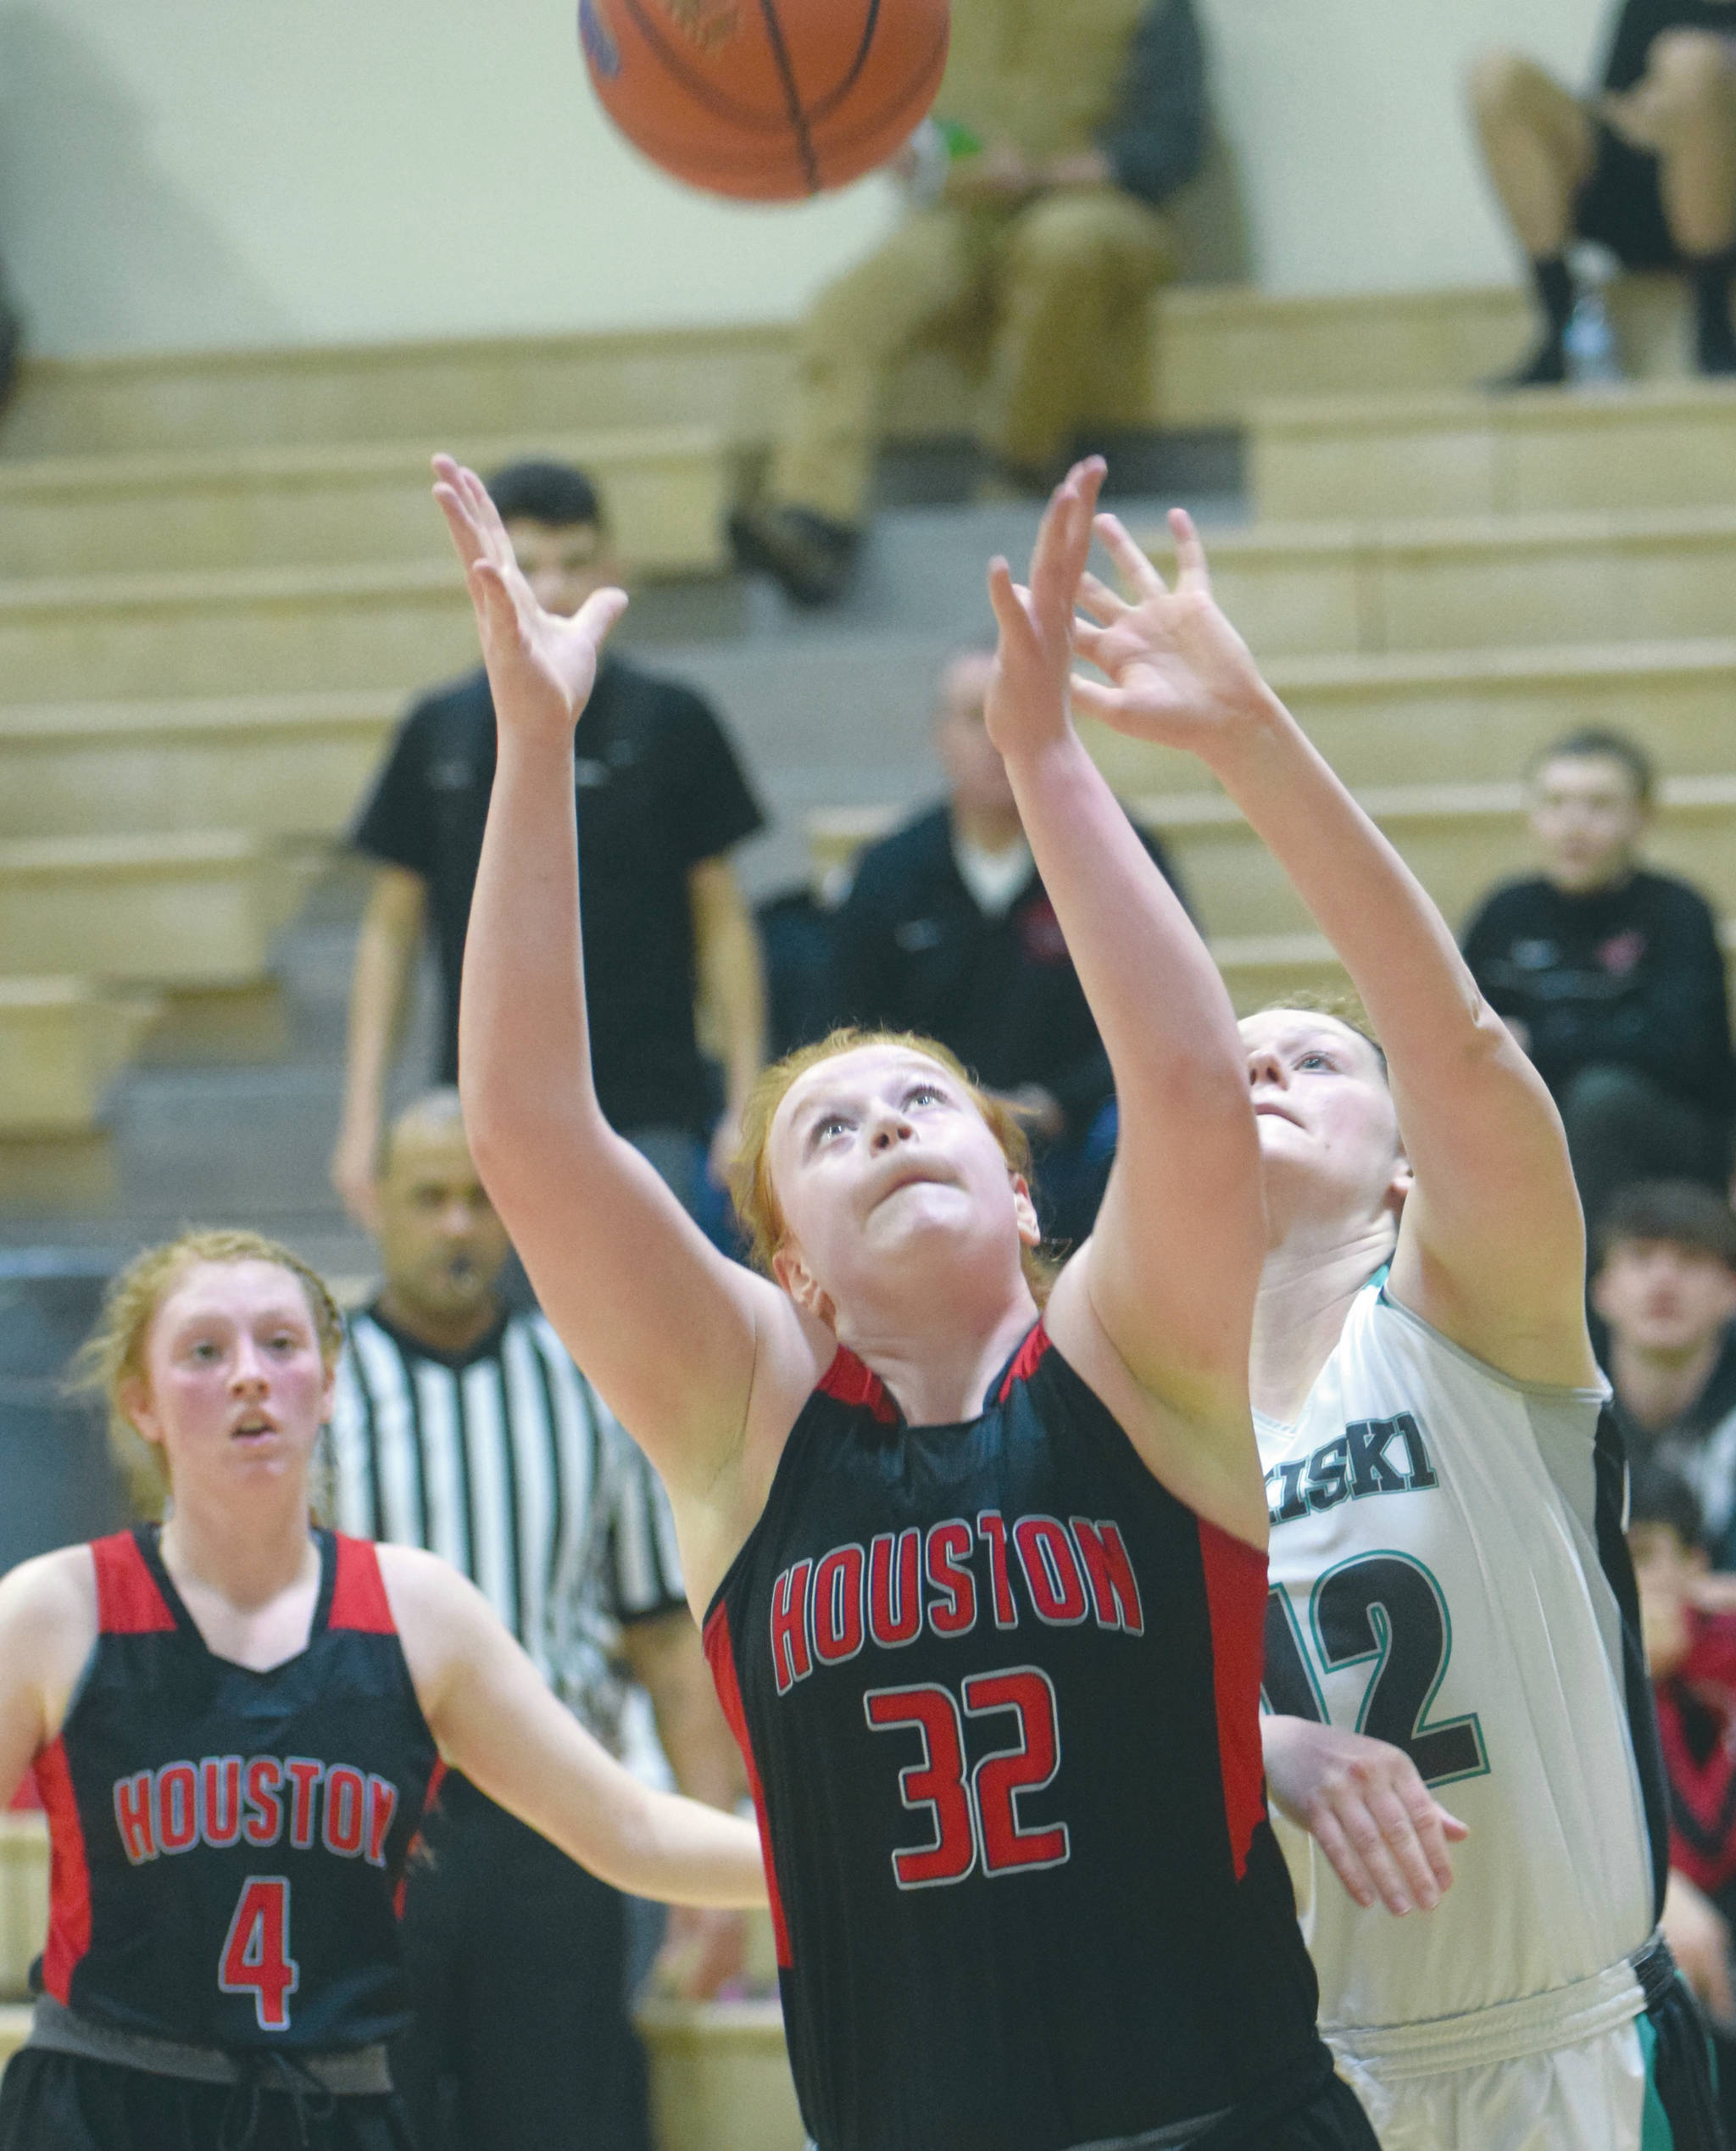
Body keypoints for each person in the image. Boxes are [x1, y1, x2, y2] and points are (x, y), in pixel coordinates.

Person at [438, 449, 1377, 2148]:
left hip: (1232, 2115)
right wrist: (532, 748)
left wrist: (1045, 761)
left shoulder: (1137, 1364)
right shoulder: (744, 1422)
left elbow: (1177, 1079)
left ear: (1022, 1186)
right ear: (787, 1265)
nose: (881, 1122)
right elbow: (522, 1125)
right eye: (828, 1126)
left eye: (922, 1100)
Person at [1060, 506, 1723, 2146]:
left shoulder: (1464, 1308)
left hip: (1562, 2057)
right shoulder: (1138, 1395)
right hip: (1291, 2081)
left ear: (1408, 1162)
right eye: (1240, 1057)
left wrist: (1245, 739)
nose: (1266, 1067)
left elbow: (1471, 1048)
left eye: (1318, 1059)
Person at [0, 1227, 765, 2151]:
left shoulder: (417, 1609)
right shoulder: (54, 1610)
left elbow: (628, 1828)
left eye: (281, 1344)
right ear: (142, 1401)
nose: (249, 1374)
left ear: (326, 1386)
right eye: (204, 1350)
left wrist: (836, 1859)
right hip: (105, 2104)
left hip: (334, 2106)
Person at [326, 1089, 746, 2151]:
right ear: (376, 1204)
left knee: (567, 2123)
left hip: (555, 1824)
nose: (458, 1225)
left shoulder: (588, 1380)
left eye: (478, 1198)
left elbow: (662, 1637)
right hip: (361, 1825)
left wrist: (707, 1879)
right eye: (429, 1198)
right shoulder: (311, 1391)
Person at [331, 458, 767, 1233]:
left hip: (650, 1104)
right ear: (485, 578)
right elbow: (390, 931)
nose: (555, 588)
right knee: (505, 1339)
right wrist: (363, 1117)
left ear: (613, 569)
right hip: (487, 1108)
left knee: (655, 1337)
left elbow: (724, 922)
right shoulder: (439, 728)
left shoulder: (673, 720)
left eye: (574, 563)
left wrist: (745, 1102)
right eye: (528, 566)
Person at [726, 0, 1207, 606]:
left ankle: (1021, 466)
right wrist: (888, 148)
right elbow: (879, 108)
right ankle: (812, 516)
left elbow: (1172, 144)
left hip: (1097, 206)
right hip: (961, 211)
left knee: (1064, 248)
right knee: (854, 304)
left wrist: (1040, 174)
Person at [826, 646, 1189, 1244]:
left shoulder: (1123, 854)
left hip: (1083, 1138)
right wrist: (929, 1103)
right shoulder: (889, 871)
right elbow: (841, 1028)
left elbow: (1176, 1021)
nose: (998, 735)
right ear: (941, 736)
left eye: (1017, 712)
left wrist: (1054, 1103)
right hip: (917, 1139)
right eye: (976, 717)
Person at [1461, 727, 1735, 1234]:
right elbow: (1459, 1033)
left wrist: (1538, 1040)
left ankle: (1592, 1303)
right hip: (1533, 1121)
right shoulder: (1504, 913)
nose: (1574, 823)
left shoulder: (1678, 912)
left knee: (1600, 1097)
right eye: (1556, 803)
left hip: (1663, 1135)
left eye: (1599, 805)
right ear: (1534, 816)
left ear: (1641, 818)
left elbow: (1683, 1050)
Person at [1469, 0, 1736, 384]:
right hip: (1638, 193)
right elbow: (1612, 100)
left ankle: (1715, 330)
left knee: (1690, 63)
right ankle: (1561, 325)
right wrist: (1654, 116)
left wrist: (1697, 101)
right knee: (1497, 75)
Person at [1628, 1461, 1736, 2135]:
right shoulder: (1606, 1670)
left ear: (1693, 1566)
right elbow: (1692, 1849)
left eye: (1642, 1556)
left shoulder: (1718, 1653)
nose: (1626, 1578)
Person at [1596, 1179, 1736, 1567]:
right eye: (1641, 1257)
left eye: (1690, 1259)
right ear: (1600, 1289)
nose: (1664, 1280)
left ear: (1731, 1291)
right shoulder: (1557, 1414)